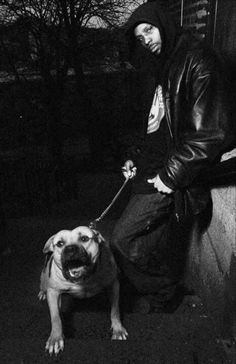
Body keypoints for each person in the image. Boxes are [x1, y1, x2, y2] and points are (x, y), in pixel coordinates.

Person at [110, 1, 234, 313]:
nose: (146, 39)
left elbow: (212, 132)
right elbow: (153, 122)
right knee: (146, 244)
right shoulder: (161, 62)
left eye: (149, 30)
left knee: (122, 240)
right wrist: (133, 156)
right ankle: (164, 291)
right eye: (140, 36)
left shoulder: (198, 59)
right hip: (148, 168)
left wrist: (171, 175)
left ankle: (165, 294)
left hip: (168, 174)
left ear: (162, 24)